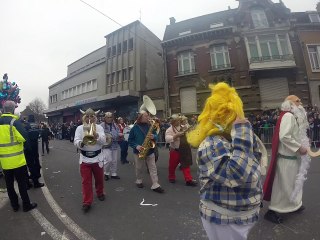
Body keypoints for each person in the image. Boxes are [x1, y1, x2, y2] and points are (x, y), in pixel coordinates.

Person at [186, 83, 264, 240]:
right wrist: (243, 131)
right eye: (235, 113)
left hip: (242, 215)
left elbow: (254, 164)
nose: (241, 117)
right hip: (224, 218)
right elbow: (236, 175)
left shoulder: (235, 138)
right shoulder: (211, 143)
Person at [263, 95, 308, 224]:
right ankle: (272, 210)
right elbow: (285, 136)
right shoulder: (288, 116)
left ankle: (294, 205)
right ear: (290, 104)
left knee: (292, 184)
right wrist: (299, 148)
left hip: (292, 158)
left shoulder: (292, 115)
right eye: (297, 101)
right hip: (286, 159)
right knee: (282, 186)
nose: (300, 103)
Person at [0, 101, 37, 212]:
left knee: (9, 185)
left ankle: (15, 205)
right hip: (17, 160)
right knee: (22, 184)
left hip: (5, 162)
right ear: (13, 110)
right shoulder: (14, 122)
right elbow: (24, 137)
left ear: (3, 109)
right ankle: (26, 205)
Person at [74, 108, 106, 212]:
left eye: (91, 116)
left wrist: (96, 135)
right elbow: (76, 141)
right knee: (86, 182)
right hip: (85, 159)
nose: (89, 118)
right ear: (84, 117)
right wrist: (81, 143)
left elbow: (104, 141)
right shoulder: (79, 128)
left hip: (97, 158)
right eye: (87, 116)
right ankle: (87, 202)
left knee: (99, 178)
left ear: (94, 117)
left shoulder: (99, 127)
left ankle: (100, 192)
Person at [128, 111, 164, 193]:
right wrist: (137, 146)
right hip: (139, 151)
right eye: (146, 116)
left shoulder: (150, 126)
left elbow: (156, 135)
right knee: (139, 167)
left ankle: (155, 184)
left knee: (153, 168)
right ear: (140, 117)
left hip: (150, 150)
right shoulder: (134, 128)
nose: (148, 117)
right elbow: (130, 140)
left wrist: (154, 136)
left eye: (148, 116)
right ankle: (139, 180)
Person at [165, 114, 197, 186]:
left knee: (186, 165)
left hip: (184, 150)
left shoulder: (183, 126)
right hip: (175, 151)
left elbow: (191, 129)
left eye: (179, 120)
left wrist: (193, 123)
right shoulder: (169, 130)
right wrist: (176, 135)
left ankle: (188, 179)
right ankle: (171, 177)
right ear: (173, 122)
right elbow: (167, 139)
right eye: (177, 121)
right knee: (172, 166)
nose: (179, 122)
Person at [24, 115, 44, 188]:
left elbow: (25, 135)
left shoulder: (26, 126)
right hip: (35, 145)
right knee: (36, 161)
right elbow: (39, 134)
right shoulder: (36, 125)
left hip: (28, 146)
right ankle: (36, 177)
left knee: (30, 164)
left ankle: (33, 178)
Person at [100, 112, 121, 180]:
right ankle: (105, 173)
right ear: (105, 118)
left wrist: (119, 135)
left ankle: (114, 174)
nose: (109, 119)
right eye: (107, 117)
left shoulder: (115, 125)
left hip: (114, 145)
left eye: (110, 117)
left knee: (114, 161)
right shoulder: (101, 126)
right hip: (106, 146)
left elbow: (118, 133)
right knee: (108, 160)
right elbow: (100, 135)